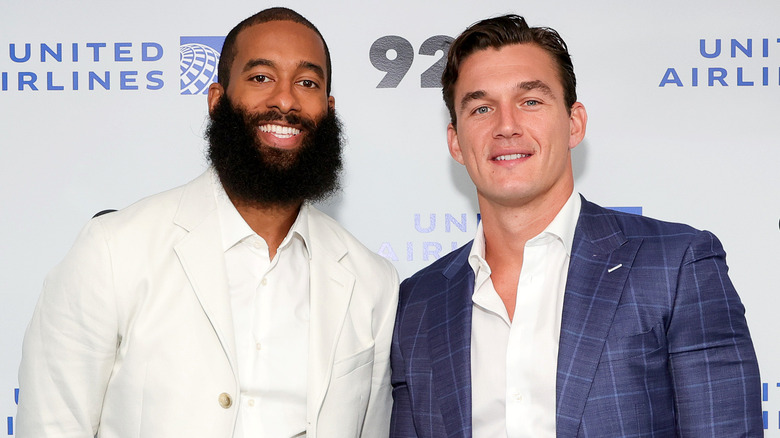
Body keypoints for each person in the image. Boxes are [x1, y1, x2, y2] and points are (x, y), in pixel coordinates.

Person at [17, 7, 398, 438]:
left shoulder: (372, 282)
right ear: (217, 100)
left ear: (327, 109)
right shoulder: (113, 250)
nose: (286, 99)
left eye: (307, 83)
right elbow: (51, 426)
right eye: (260, 77)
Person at [389, 14, 762, 437]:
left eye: (530, 101)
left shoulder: (675, 267)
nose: (506, 125)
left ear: (574, 122)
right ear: (456, 141)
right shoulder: (416, 304)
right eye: (482, 108)